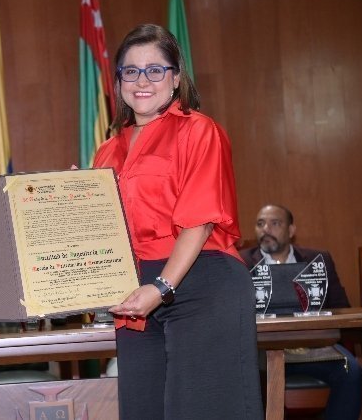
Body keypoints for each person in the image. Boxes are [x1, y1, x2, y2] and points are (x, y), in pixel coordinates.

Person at [93, 24, 263, 420]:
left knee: (205, 409)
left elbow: (200, 223)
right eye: (130, 71)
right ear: (118, 82)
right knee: (143, 410)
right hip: (135, 293)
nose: (142, 80)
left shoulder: (199, 131)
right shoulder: (106, 151)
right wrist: (74, 200)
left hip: (200, 281)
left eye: (155, 69)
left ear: (174, 78)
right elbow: (106, 232)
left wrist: (162, 286)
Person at [240, 204, 362, 420]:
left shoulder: (318, 260)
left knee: (351, 372)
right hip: (259, 351)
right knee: (241, 378)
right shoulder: (241, 262)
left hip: (313, 348)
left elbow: (340, 307)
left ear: (291, 230)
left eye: (275, 223)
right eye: (260, 224)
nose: (266, 229)